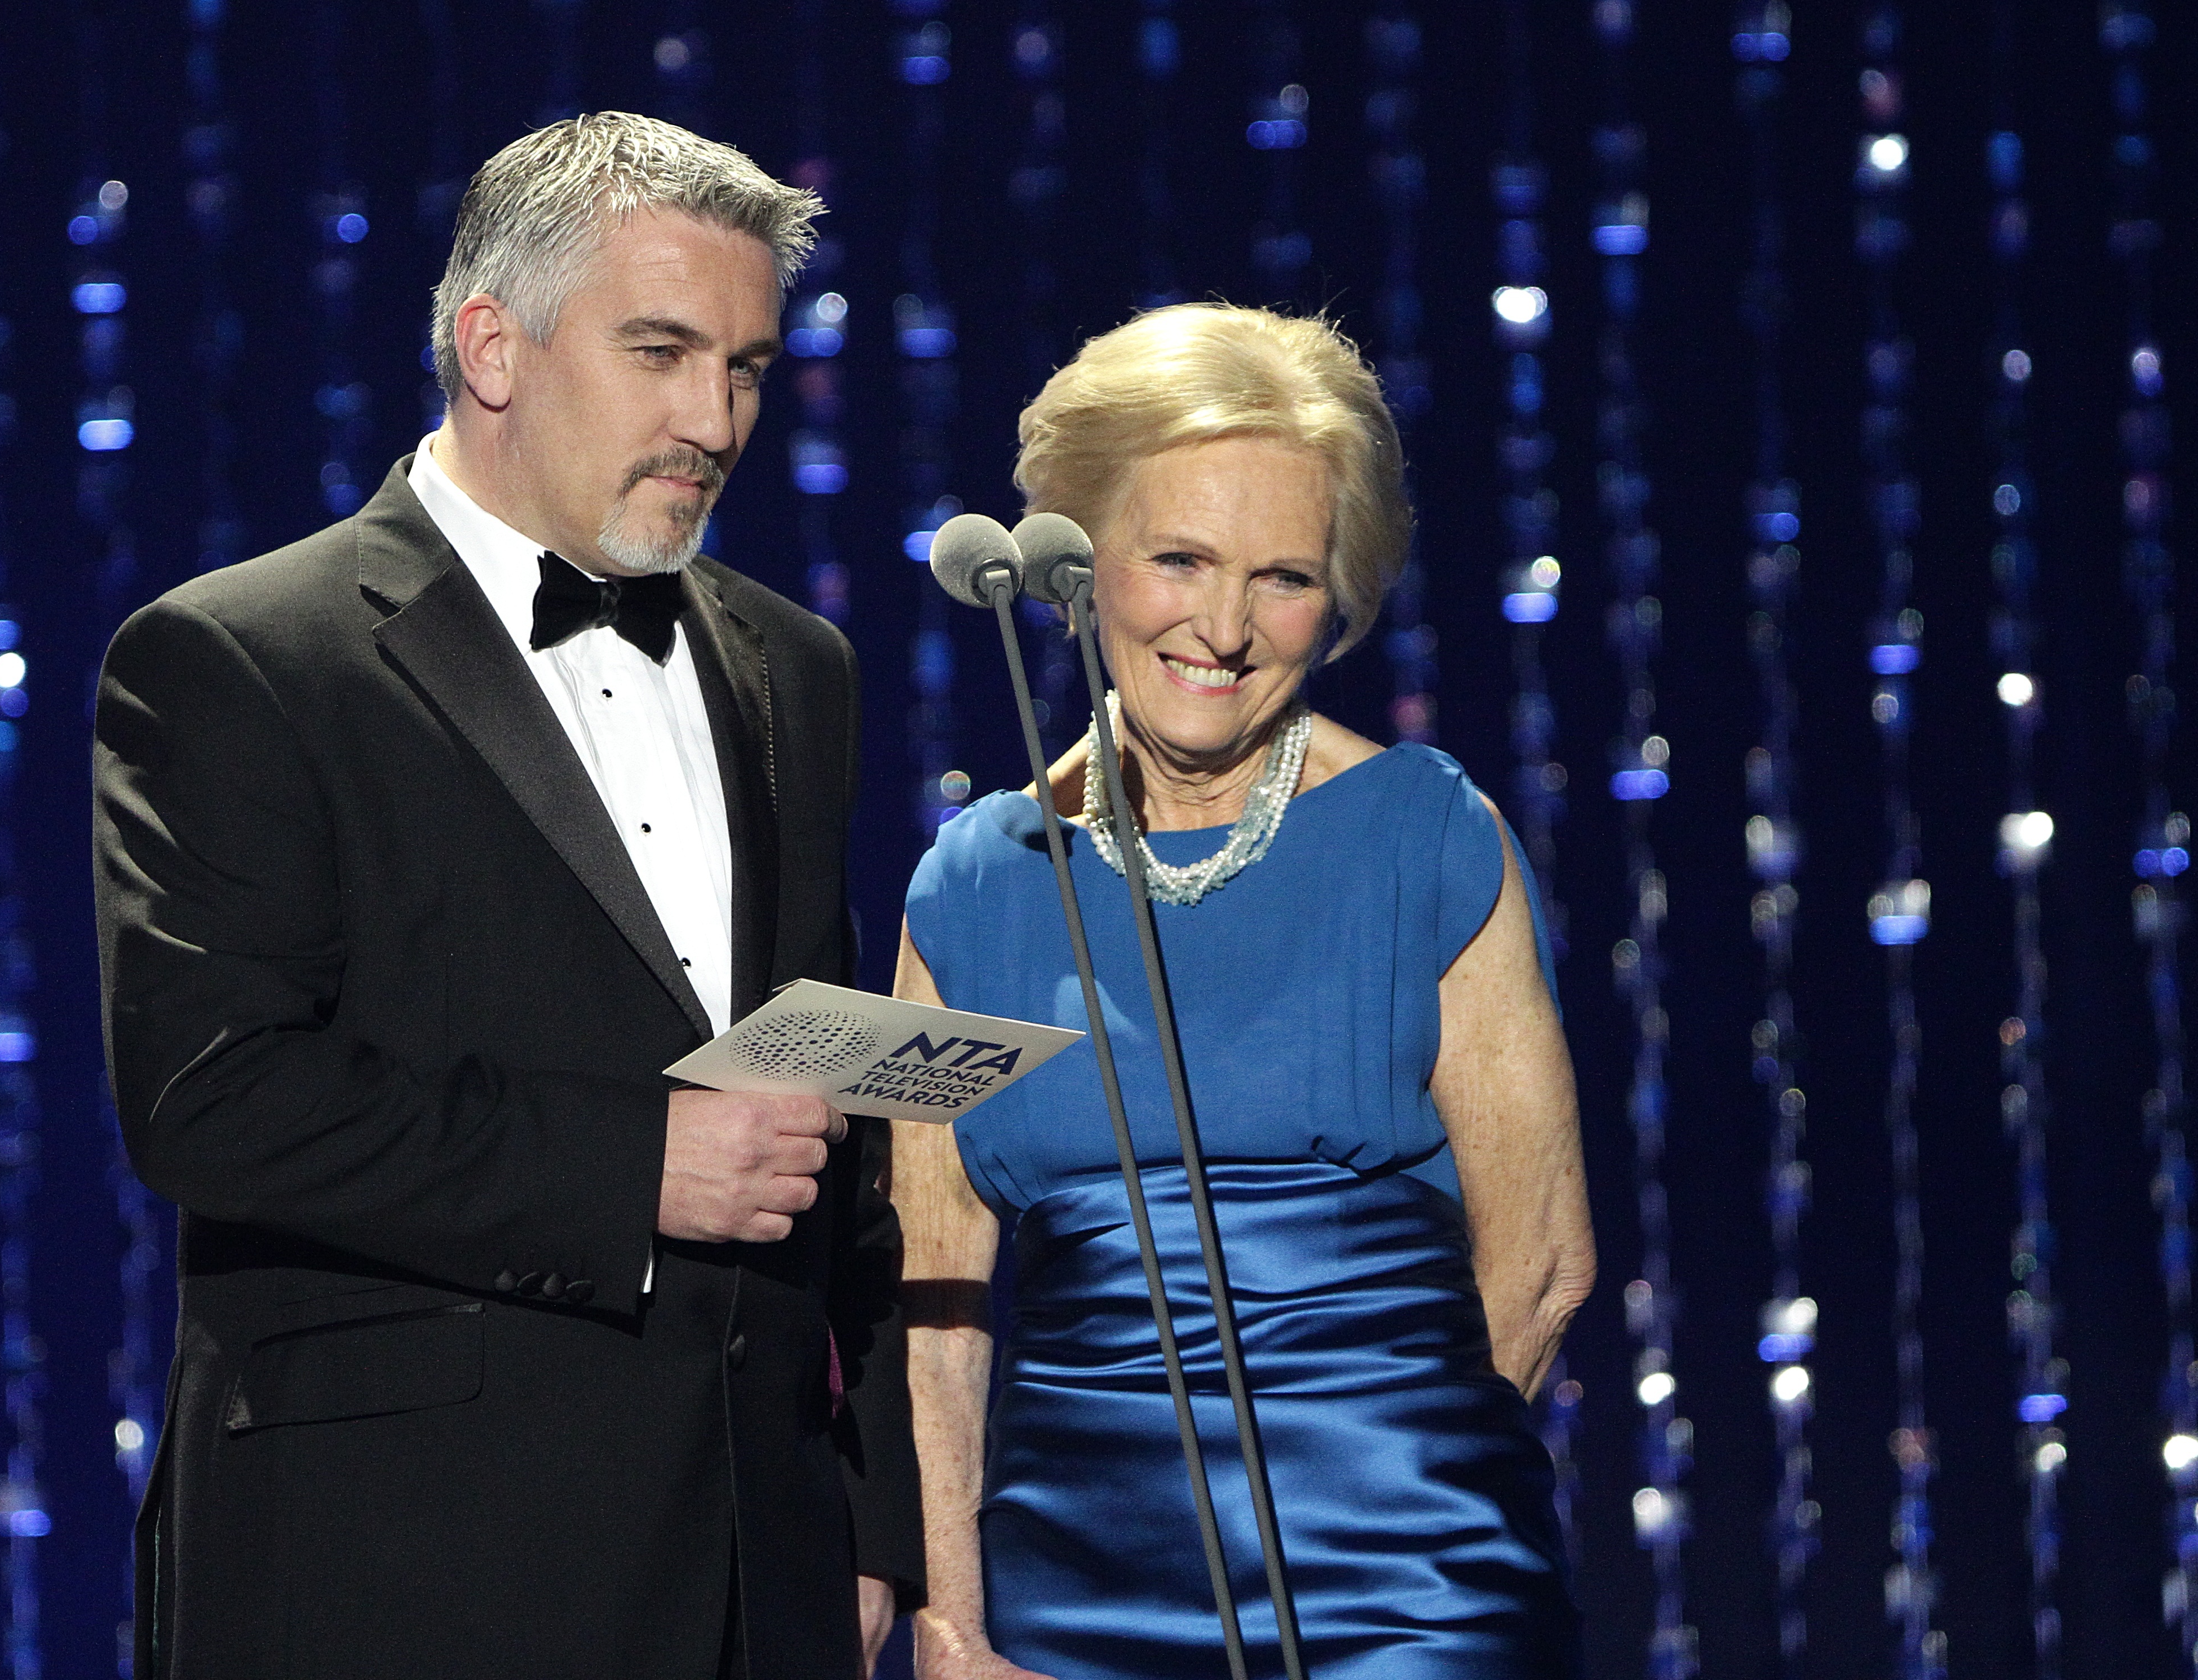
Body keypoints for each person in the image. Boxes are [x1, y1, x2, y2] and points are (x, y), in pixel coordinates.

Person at [94, 113, 921, 1680]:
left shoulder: (793, 670)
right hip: (396, 1572)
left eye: (743, 366)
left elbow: (823, 1105)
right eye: (662, 352)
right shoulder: (243, 658)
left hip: (763, 1575)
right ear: (492, 346)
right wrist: (634, 1167)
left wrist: (866, 1514)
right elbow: (210, 1095)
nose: (712, 417)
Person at [894, 304, 1592, 1678]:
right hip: (1067, 1606)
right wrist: (955, 1625)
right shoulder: (973, 886)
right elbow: (929, 1306)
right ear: (1078, 564)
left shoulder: (1424, 834)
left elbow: (1541, 1264)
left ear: (1337, 600)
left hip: (1406, 1596)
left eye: (1279, 575)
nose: (1221, 624)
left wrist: (1398, 1511)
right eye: (1177, 558)